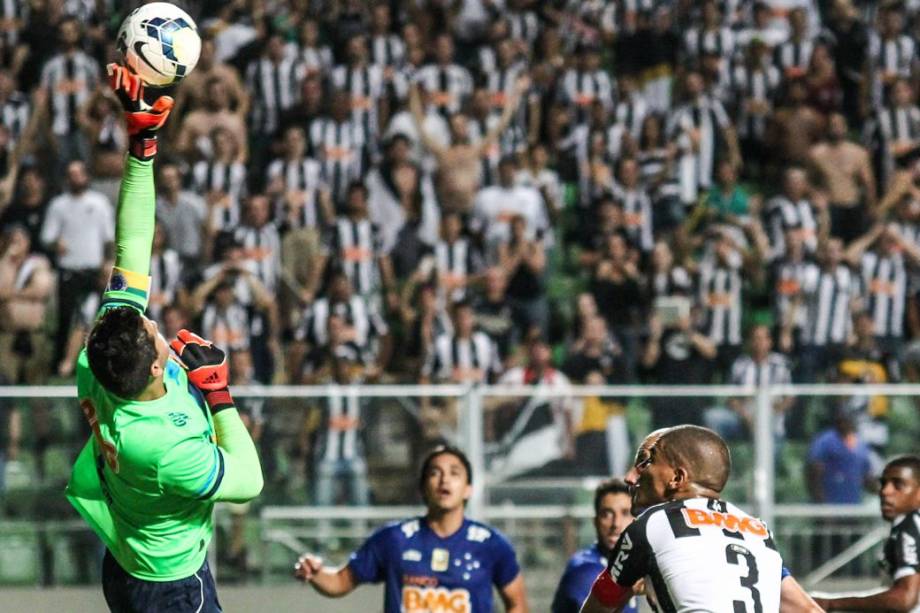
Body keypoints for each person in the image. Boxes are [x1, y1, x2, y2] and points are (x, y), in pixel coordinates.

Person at [65, 65, 263, 612]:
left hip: (127, 557)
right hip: (171, 584)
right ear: (156, 368)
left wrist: (142, 147)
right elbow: (247, 481)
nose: (154, 323)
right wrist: (218, 394)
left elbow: (130, 247)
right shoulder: (162, 446)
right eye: (153, 333)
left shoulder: (102, 355)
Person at [579, 425, 820, 613]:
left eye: (647, 462)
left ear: (677, 478)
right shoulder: (758, 531)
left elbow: (600, 606)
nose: (631, 477)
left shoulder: (652, 524)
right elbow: (807, 608)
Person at [294, 445, 529, 612]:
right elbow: (341, 582)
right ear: (423, 487)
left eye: (454, 473)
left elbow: (517, 603)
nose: (444, 480)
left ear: (468, 489)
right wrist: (316, 574)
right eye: (435, 473)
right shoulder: (393, 539)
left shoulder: (492, 545)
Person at [813, 454, 920, 612]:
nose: (885, 491)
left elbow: (905, 599)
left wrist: (831, 604)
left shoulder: (909, 526)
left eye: (898, 484)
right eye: (883, 483)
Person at [552, 479, 639, 613]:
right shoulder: (585, 570)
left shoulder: (627, 565)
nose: (616, 524)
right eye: (607, 514)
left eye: (625, 513)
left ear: (635, 521)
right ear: (596, 521)